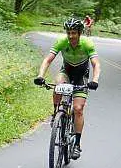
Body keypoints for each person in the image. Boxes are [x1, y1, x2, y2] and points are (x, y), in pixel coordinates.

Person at [34, 17, 100, 159]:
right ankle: (56, 113)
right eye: (69, 32)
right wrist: (40, 75)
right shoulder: (62, 42)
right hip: (67, 72)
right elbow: (48, 59)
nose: (71, 36)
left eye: (74, 33)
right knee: (58, 86)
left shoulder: (87, 43)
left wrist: (95, 80)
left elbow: (96, 64)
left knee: (78, 109)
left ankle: (76, 144)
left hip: (82, 75)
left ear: (80, 33)